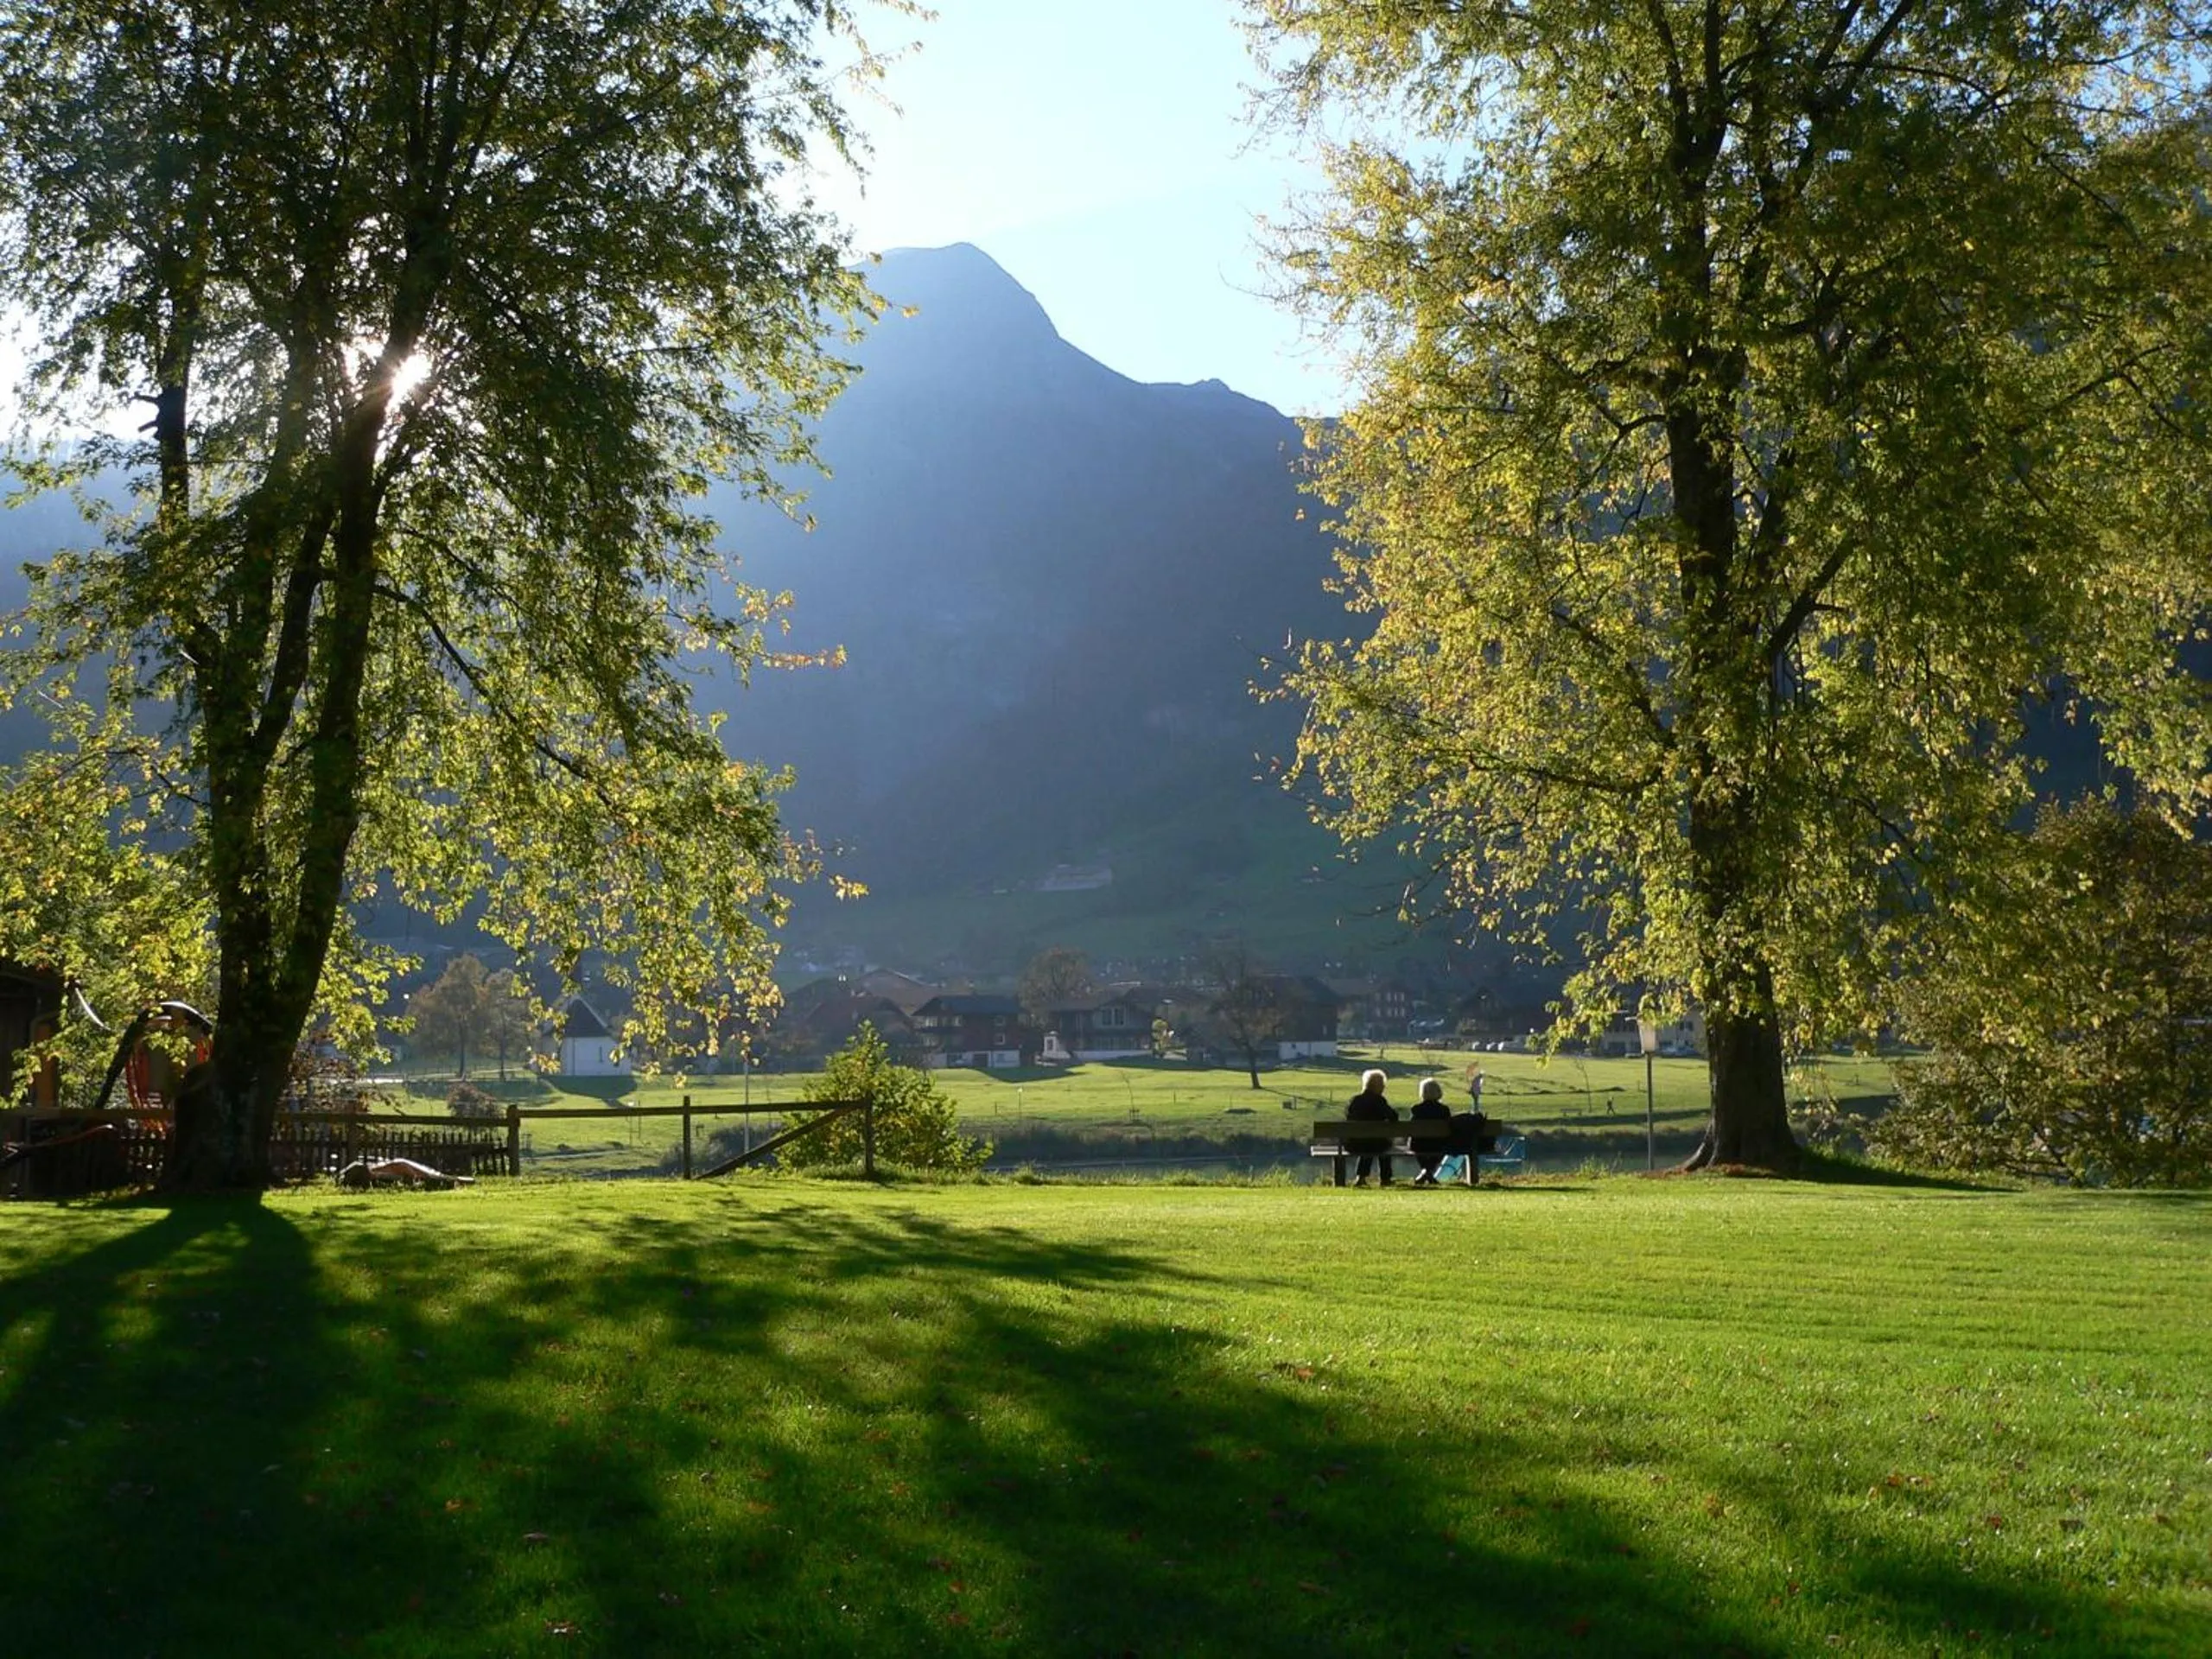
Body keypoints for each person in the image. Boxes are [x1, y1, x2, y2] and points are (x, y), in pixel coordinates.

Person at [1344, 1067, 1398, 1186]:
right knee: (1382, 1145)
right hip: (1377, 1144)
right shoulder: (1379, 1101)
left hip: (1354, 1144)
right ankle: (1385, 1179)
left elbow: (1349, 1118)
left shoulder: (1355, 1100)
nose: (1384, 1087)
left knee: (1368, 1144)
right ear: (1378, 1086)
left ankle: (1361, 1178)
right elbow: (1393, 1117)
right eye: (1383, 1085)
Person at [1409, 1077, 1452, 1185]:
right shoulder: (1444, 1110)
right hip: (1439, 1145)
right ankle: (1428, 1173)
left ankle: (1425, 1172)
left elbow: (1411, 1128)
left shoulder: (1416, 1109)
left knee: (1415, 1144)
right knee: (1444, 1146)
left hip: (1419, 1144)